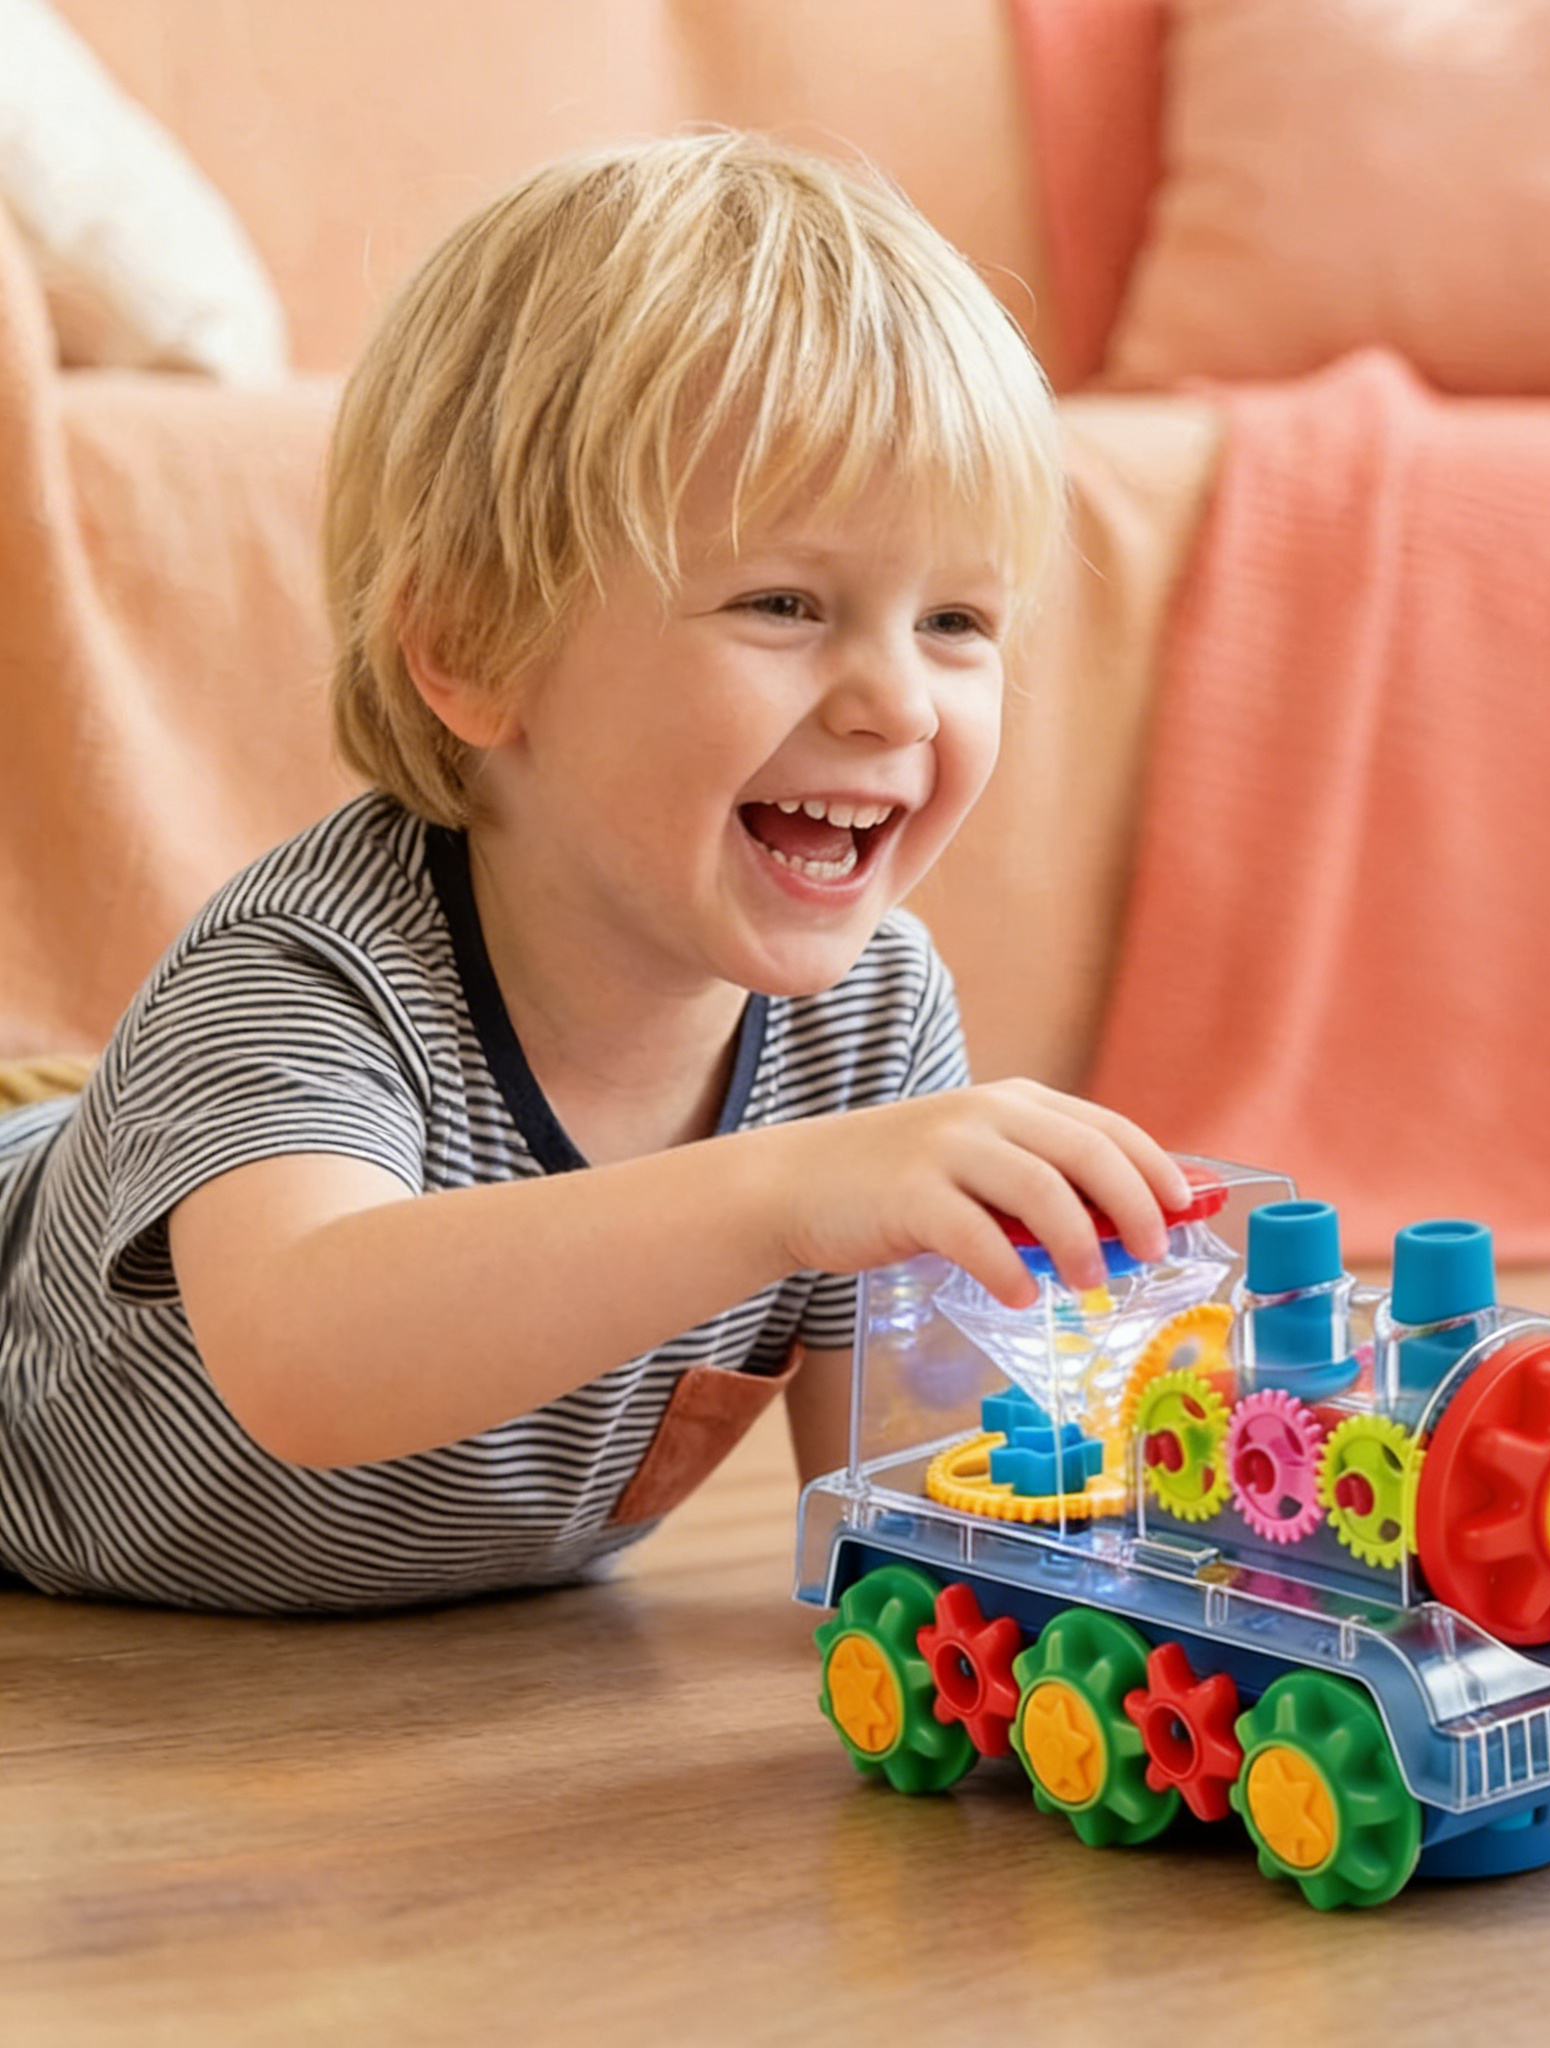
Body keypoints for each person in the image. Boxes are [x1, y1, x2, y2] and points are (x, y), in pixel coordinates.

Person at [0, 132, 1189, 1614]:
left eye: (958, 619)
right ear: (478, 654)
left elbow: (905, 1537)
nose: (897, 700)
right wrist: (787, 1193)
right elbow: (305, 1361)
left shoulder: (870, 1026)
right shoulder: (299, 970)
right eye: (784, 602)